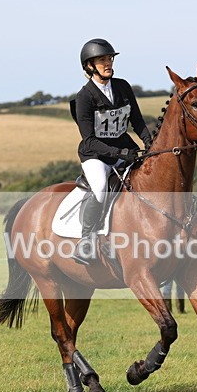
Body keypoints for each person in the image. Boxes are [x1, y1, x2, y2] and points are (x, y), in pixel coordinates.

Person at [71, 38, 153, 264]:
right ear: (89, 66)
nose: (108, 63)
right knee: (99, 188)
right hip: (96, 156)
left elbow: (137, 121)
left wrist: (150, 143)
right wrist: (119, 154)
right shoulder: (84, 97)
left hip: (124, 150)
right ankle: (86, 240)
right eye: (102, 60)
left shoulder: (122, 86)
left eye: (109, 58)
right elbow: (88, 140)